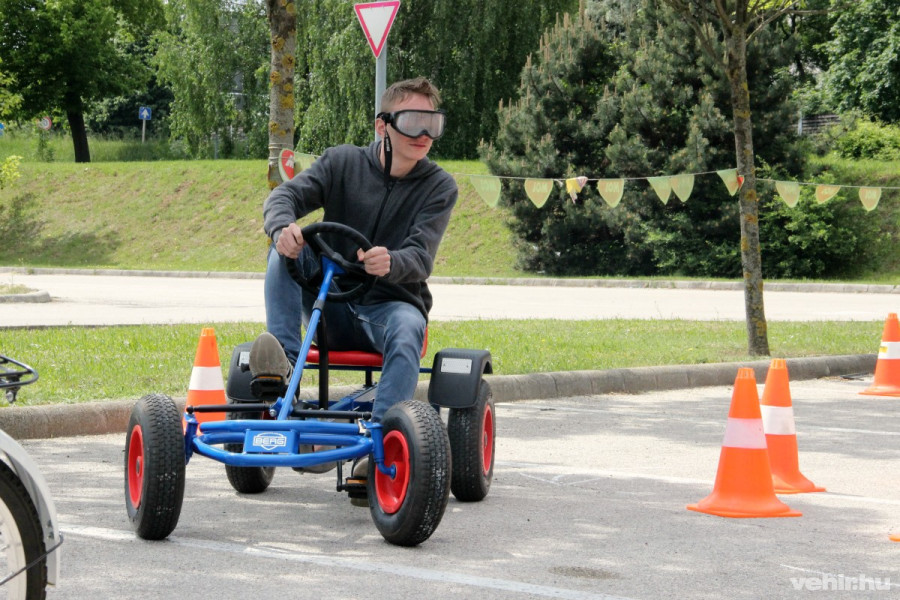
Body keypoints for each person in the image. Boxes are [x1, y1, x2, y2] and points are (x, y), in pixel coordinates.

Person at [251, 77, 458, 428]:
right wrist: (282, 227)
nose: (424, 134)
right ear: (382, 126)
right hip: (329, 305)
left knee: (409, 325)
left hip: (390, 307)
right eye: (412, 122)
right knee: (284, 246)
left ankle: (383, 434)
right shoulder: (342, 162)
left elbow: (421, 257)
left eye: (432, 124)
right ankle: (283, 372)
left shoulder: (439, 186)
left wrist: (391, 261)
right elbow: (284, 196)